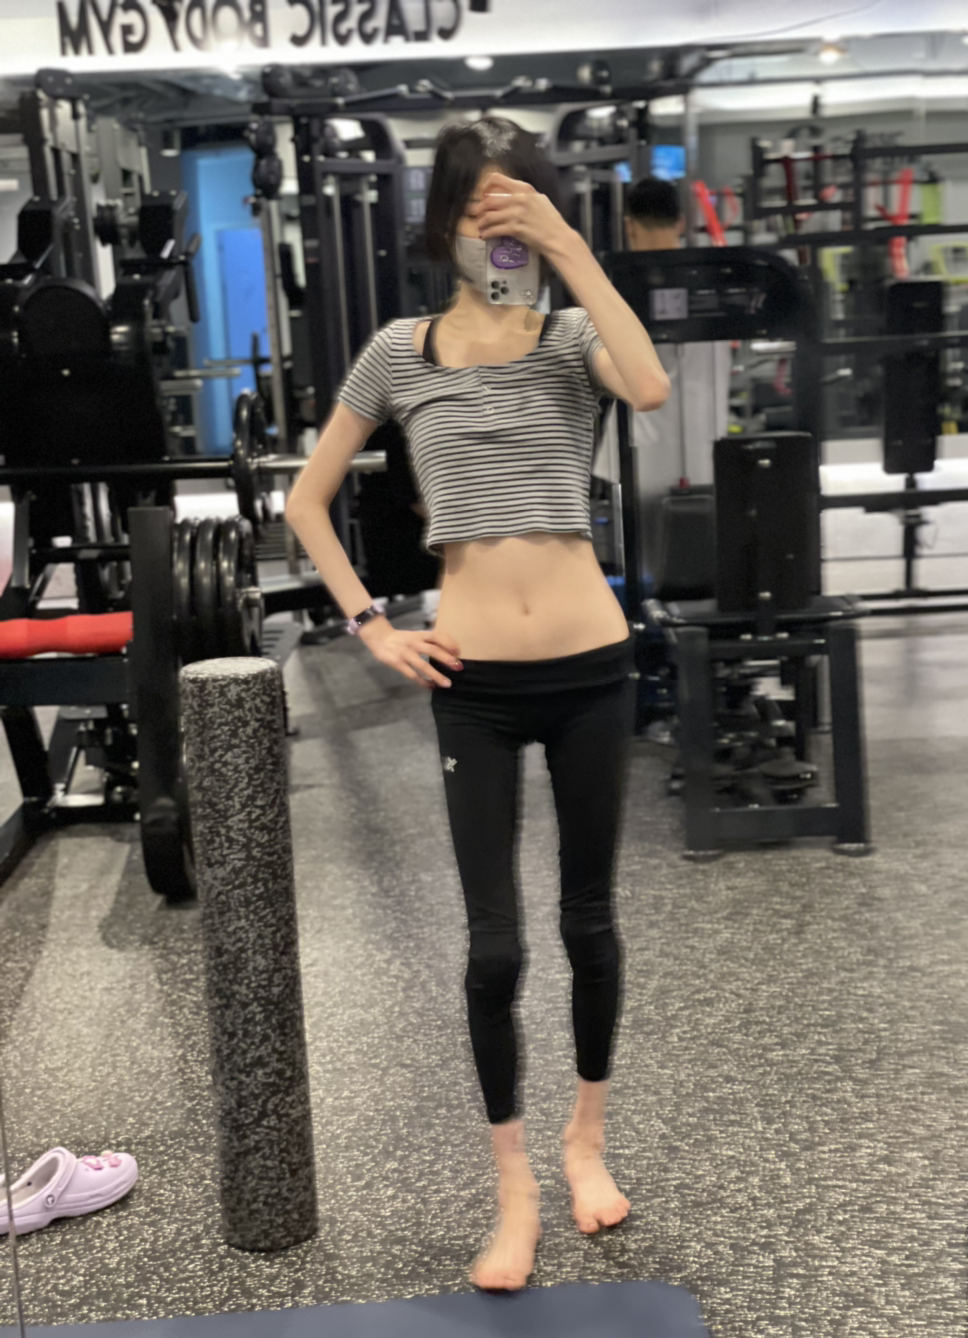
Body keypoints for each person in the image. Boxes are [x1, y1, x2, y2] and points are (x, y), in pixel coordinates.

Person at [285, 116, 669, 1294]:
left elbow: (650, 386)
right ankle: (513, 1187)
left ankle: (584, 1142)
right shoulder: (398, 354)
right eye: (474, 208)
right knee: (494, 946)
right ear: (440, 224)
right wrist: (370, 626)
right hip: (474, 685)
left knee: (588, 924)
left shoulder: (571, 336)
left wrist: (568, 247)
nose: (491, 228)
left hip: (589, 666)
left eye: (514, 207)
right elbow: (305, 502)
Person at [593, 176, 731, 590]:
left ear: (629, 226)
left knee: (645, 570)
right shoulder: (717, 280)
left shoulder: (614, 288)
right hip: (706, 448)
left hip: (641, 450)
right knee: (706, 567)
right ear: (682, 221)